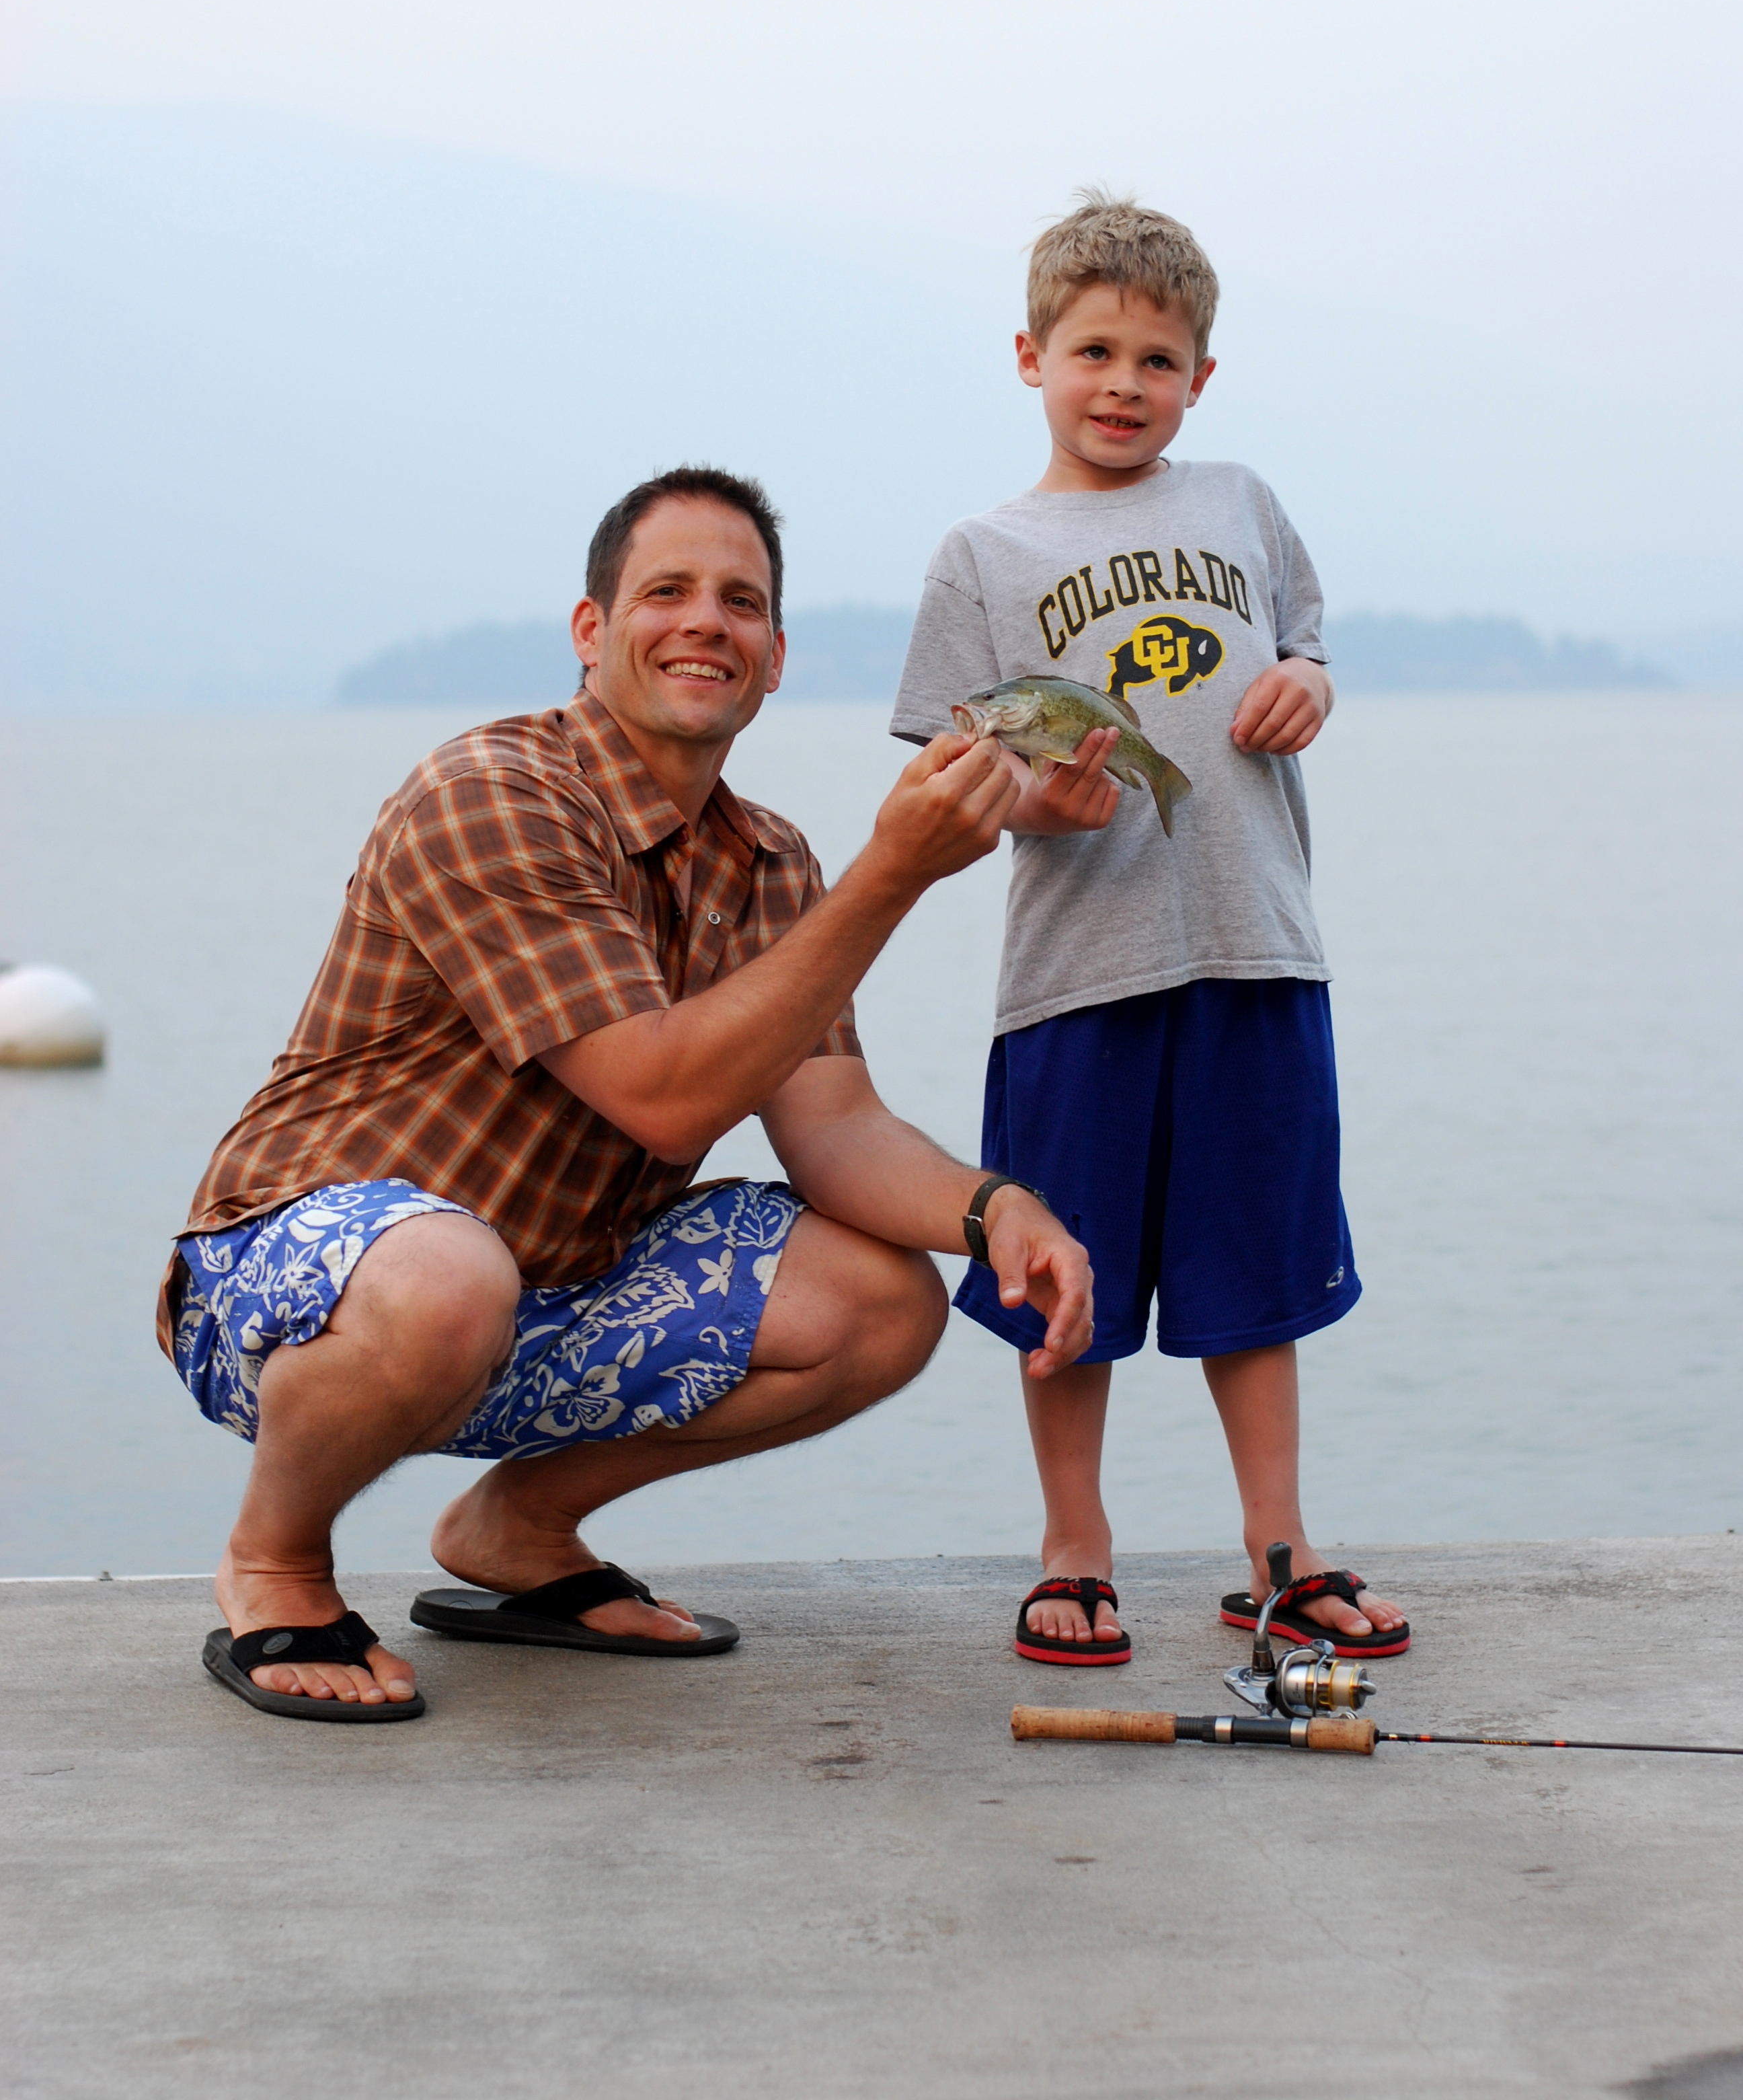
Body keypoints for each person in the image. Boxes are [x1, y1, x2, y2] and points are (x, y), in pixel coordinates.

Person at [159, 465, 1093, 1722]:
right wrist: (896, 872)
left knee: (886, 1302)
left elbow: (837, 1128)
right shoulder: (492, 793)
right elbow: (662, 1099)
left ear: (774, 660)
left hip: (542, 1292)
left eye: (742, 603)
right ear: (592, 631)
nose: (707, 620)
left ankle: (520, 1529)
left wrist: (1000, 1211)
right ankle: (275, 1561)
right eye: (668, 592)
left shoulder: (771, 860)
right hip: (291, 1289)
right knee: (447, 1275)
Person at [890, 194, 1409, 1667]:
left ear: (1201, 378)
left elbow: (1305, 648)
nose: (1124, 383)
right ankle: (1076, 1546)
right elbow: (946, 778)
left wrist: (1309, 684)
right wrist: (1033, 800)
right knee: (1066, 1277)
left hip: (1260, 949)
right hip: (1078, 978)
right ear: (1031, 357)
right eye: (1094, 351)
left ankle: (1279, 1553)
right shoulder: (982, 551)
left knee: (1260, 1271)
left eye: (1158, 359)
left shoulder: (1243, 502)